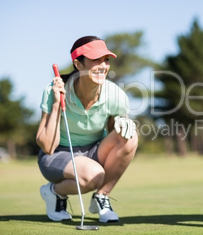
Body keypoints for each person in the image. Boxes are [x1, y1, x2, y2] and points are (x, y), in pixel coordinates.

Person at [36, 36, 138, 223]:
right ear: (78, 64)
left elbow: (114, 133)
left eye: (106, 60)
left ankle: (102, 196)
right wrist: (58, 104)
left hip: (93, 152)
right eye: (95, 60)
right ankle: (52, 192)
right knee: (93, 176)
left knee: (129, 136)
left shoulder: (116, 94)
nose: (103, 66)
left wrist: (121, 122)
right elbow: (47, 147)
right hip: (56, 156)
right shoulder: (53, 89)